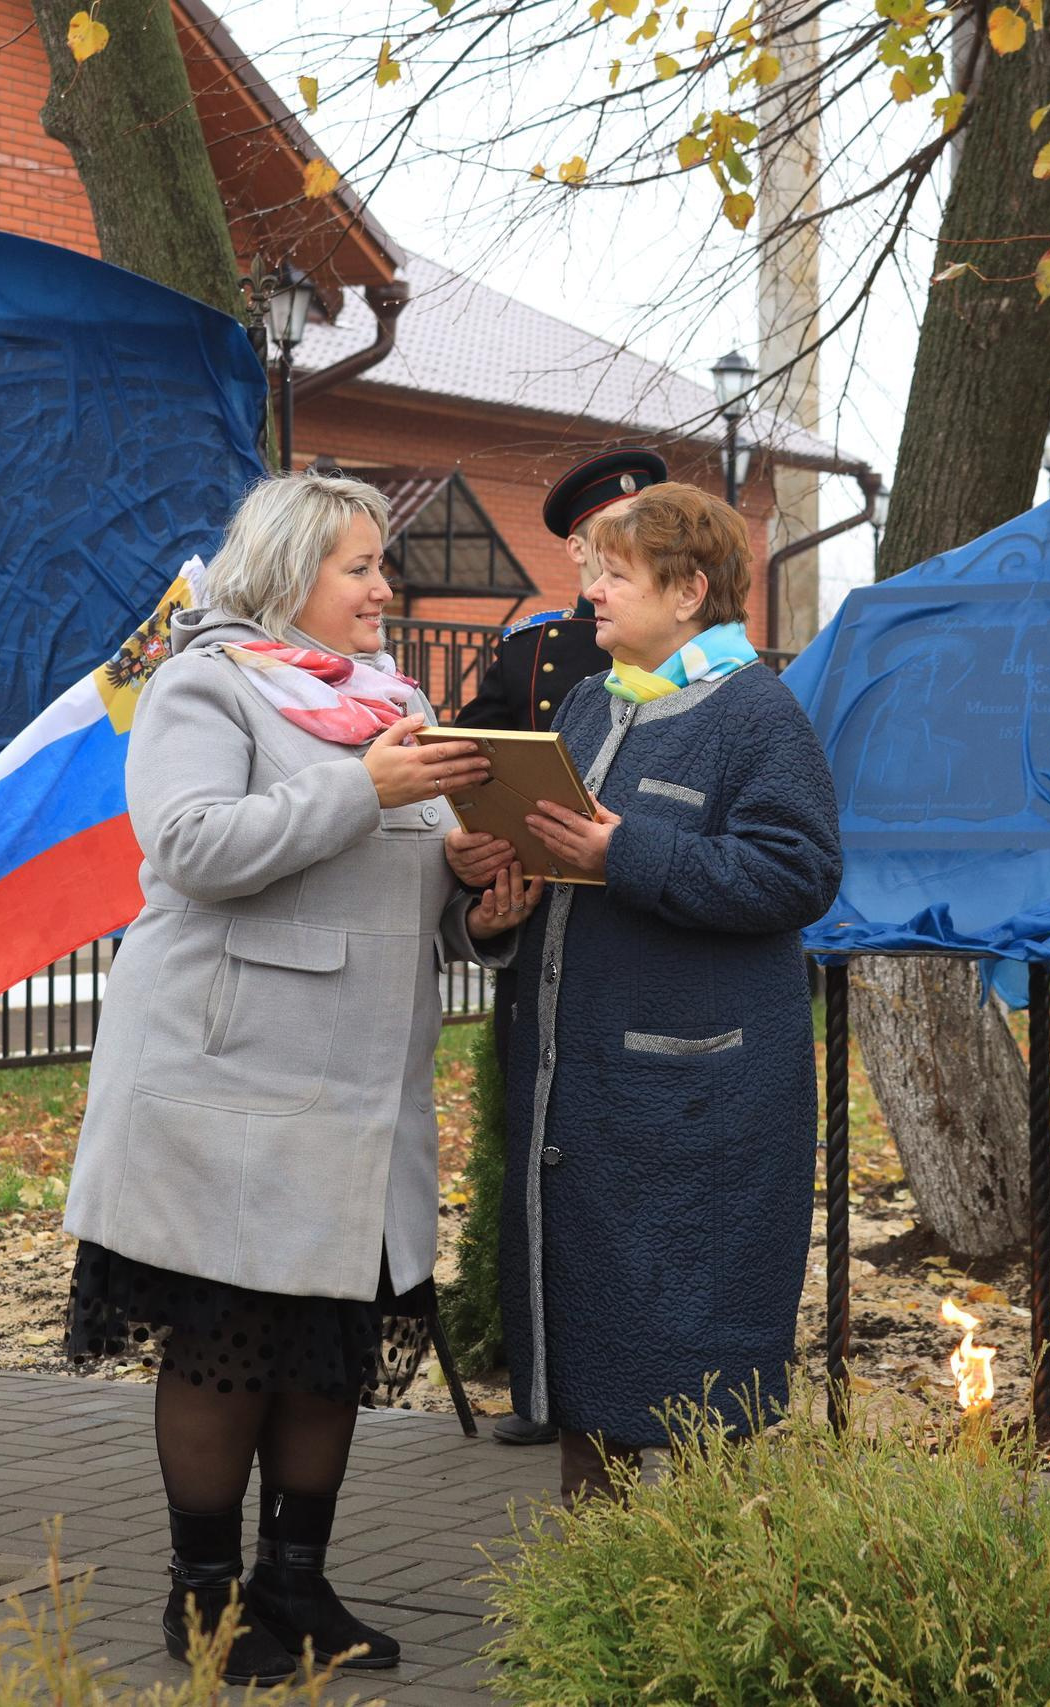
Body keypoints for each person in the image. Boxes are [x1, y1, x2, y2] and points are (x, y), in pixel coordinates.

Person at [60, 472, 535, 1681]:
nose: (388, 588)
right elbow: (193, 847)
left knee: (326, 1348)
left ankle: (297, 1586)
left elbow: (409, 899)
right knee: (228, 1342)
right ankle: (203, 1602)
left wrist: (478, 896)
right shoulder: (204, 684)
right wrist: (362, 786)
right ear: (287, 579)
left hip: (363, 1092)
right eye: (360, 567)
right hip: (230, 1080)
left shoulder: (396, 705)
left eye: (383, 564)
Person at [489, 480, 840, 1501]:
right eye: (593, 569)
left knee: (698, 1380)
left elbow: (798, 876)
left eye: (614, 573)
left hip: (699, 1117)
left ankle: (700, 1610)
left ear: (689, 592)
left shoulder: (757, 714)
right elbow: (568, 868)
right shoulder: (594, 700)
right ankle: (590, 1609)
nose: (589, 591)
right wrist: (495, 902)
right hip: (582, 1106)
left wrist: (623, 853)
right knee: (585, 1373)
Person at [449, 446, 667, 1448]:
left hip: (651, 939)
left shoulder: (702, 657)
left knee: (650, 1179)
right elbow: (467, 765)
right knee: (542, 1170)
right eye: (602, 548)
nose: (614, 565)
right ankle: (550, 1383)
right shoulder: (534, 654)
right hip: (544, 937)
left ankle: (655, 1383)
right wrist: (473, 856)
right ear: (579, 556)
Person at [449, 448, 666, 733]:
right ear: (578, 549)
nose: (632, 540)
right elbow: (473, 756)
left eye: (645, 527)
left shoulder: (683, 637)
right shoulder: (528, 649)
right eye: (614, 528)